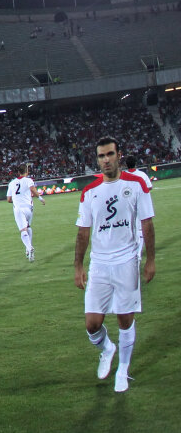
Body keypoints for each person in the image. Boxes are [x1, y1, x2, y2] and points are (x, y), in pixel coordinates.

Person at [74, 137, 155, 393]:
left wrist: (150, 260)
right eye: (101, 156)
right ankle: (107, 348)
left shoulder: (136, 184)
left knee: (124, 318)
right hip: (99, 263)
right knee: (92, 324)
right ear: (97, 159)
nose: (106, 160)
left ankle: (123, 370)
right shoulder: (89, 192)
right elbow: (83, 232)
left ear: (119, 155)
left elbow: (147, 223)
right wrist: (78, 266)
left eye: (110, 154)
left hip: (127, 260)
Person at [6, 163, 45, 261]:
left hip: (18, 208)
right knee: (28, 227)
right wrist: (40, 198)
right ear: (27, 172)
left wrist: (17, 200)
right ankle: (28, 249)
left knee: (23, 230)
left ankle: (29, 248)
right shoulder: (29, 180)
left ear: (18, 172)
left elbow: (9, 199)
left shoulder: (12, 183)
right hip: (29, 207)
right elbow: (32, 189)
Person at [123, 156, 150, 259]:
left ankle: (128, 251)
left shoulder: (122, 175)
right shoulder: (142, 175)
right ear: (136, 163)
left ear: (126, 164)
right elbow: (149, 187)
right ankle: (138, 253)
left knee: (128, 228)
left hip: (126, 205)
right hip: (139, 205)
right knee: (139, 229)